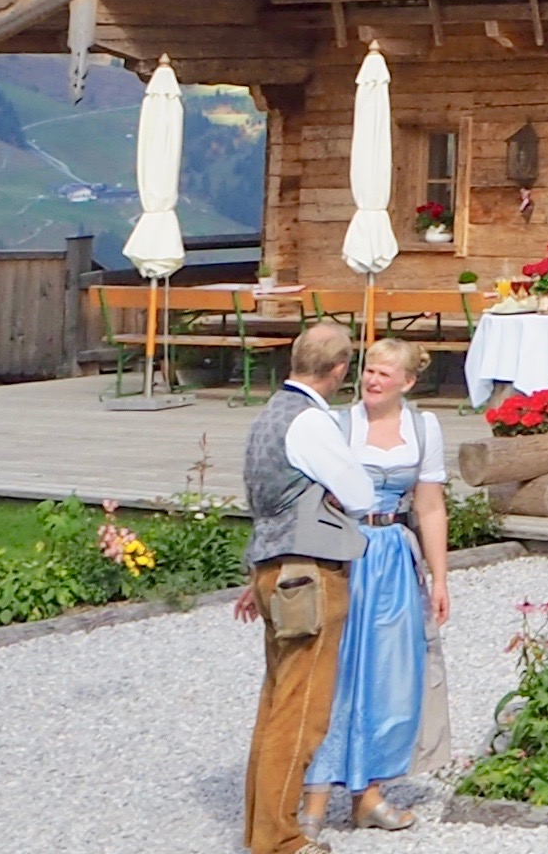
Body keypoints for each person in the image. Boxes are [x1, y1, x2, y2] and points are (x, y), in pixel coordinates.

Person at [235, 318, 373, 854]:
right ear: (340, 370)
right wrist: (336, 492)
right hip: (309, 572)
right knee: (302, 710)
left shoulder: (268, 415)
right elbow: (360, 491)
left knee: (276, 701)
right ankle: (281, 838)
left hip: (271, 567)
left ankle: (259, 828)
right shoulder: (312, 424)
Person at [312, 333, 452, 831]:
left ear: (407, 383)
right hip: (345, 552)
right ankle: (313, 798)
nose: (371, 379)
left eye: (383, 374)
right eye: (368, 370)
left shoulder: (423, 428)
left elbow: (430, 507)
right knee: (337, 671)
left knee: (390, 675)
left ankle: (368, 793)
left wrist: (439, 578)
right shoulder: (338, 424)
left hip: (393, 554)